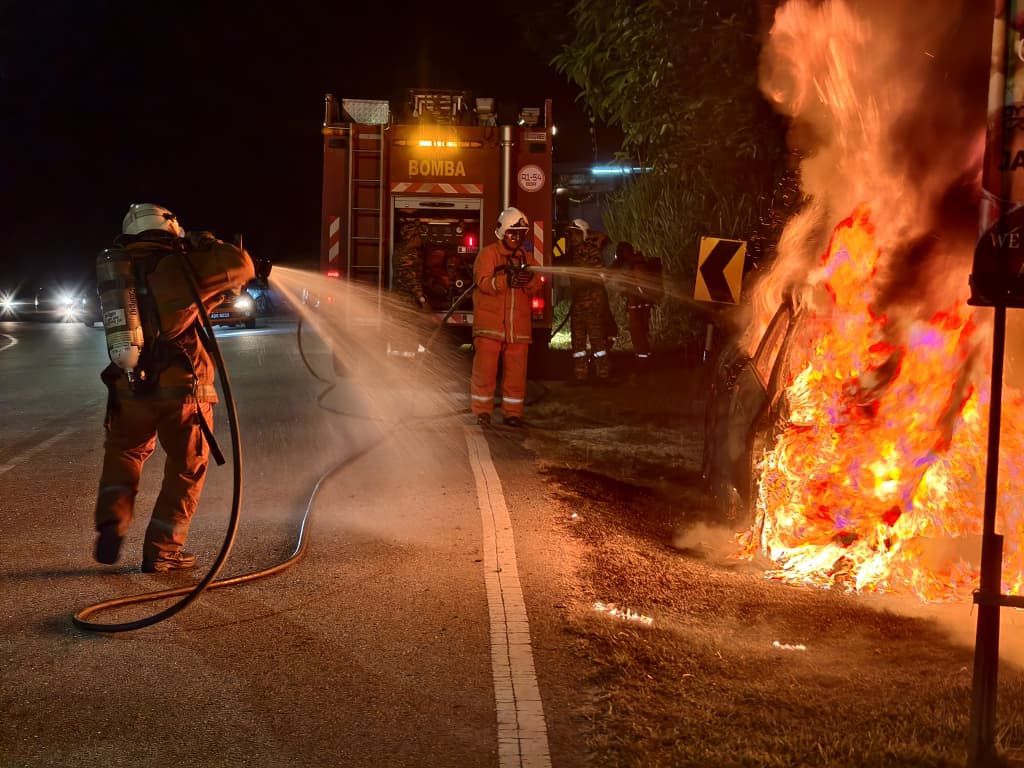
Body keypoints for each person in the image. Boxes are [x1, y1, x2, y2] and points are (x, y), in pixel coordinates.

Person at [93, 203, 255, 573]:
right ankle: (163, 551)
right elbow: (240, 265)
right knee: (186, 467)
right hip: (183, 389)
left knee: (125, 453)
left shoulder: (119, 270)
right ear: (170, 231)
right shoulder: (183, 267)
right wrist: (205, 240)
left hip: (128, 385)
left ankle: (112, 524)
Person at [470, 206, 541, 427]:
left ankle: (512, 413)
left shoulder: (526, 258)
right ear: (502, 232)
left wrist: (527, 280)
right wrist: (505, 281)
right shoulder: (488, 254)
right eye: (513, 233)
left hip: (517, 330)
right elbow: (483, 282)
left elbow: (536, 284)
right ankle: (482, 412)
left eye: (520, 234)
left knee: (516, 374)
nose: (516, 238)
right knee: (485, 372)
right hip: (490, 327)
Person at [567, 218, 613, 383]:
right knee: (578, 341)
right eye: (571, 234)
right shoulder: (573, 253)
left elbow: (602, 277)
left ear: (583, 234)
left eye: (575, 234)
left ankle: (602, 373)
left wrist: (587, 280)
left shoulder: (590, 251)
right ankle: (580, 374)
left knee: (596, 339)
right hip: (579, 304)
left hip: (592, 304)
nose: (572, 238)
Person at [613, 241, 663, 377]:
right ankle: (645, 362)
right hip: (642, 305)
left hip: (637, 306)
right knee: (642, 333)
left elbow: (631, 285)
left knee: (638, 335)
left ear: (623, 252)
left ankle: (642, 367)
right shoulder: (638, 263)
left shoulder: (632, 265)